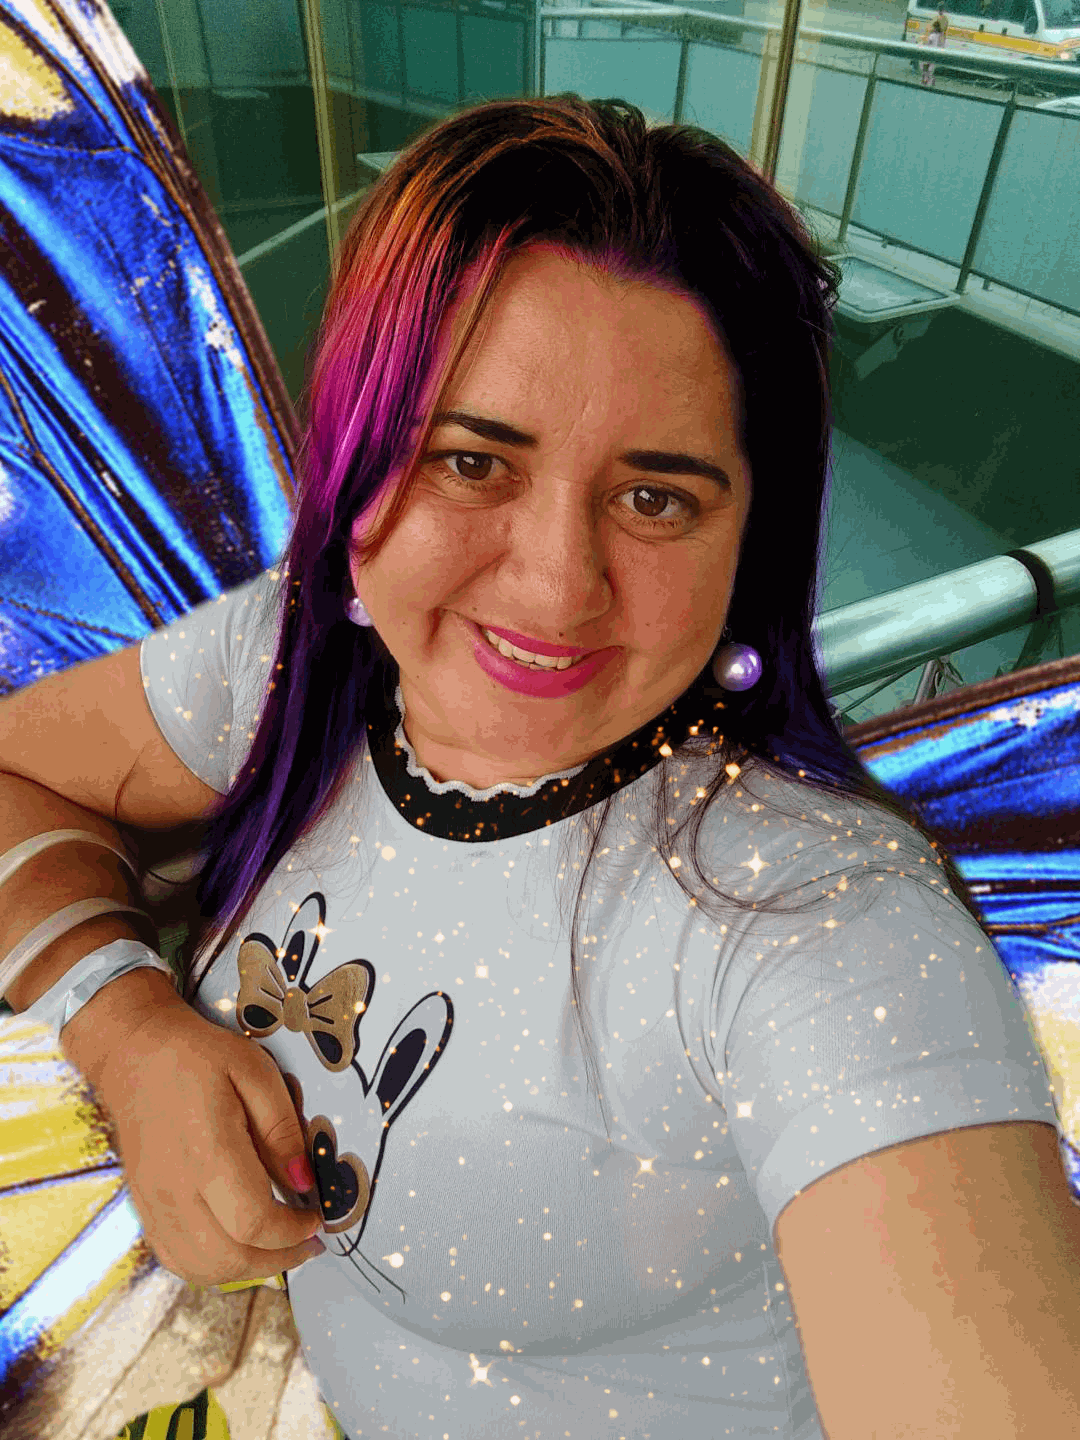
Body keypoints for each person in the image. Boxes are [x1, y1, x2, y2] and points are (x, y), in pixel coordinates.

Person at [1, 96, 1077, 1440]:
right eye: (471, 462)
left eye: (656, 497)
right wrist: (126, 1026)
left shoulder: (818, 923)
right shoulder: (295, 662)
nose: (558, 587)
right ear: (357, 464)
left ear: (751, 536)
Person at [921, 17, 947, 86]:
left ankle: (925, 81)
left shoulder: (932, 35)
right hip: (936, 54)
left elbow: (928, 42)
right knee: (931, 68)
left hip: (930, 53)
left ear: (935, 28)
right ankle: (931, 81)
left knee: (925, 67)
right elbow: (943, 45)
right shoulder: (942, 36)